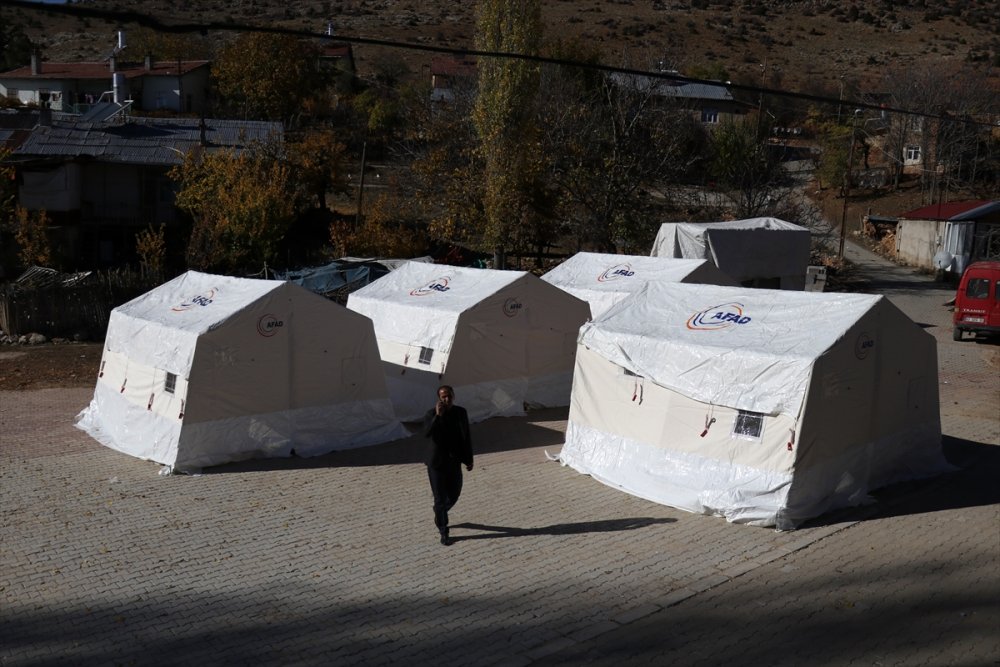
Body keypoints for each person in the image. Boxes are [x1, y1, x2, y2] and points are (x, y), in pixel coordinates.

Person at [423, 385, 473, 546]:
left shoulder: (461, 412)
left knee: (454, 494)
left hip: (454, 461)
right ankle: (444, 531)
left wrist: (469, 459)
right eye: (443, 397)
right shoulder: (431, 414)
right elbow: (427, 433)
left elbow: (466, 436)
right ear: (439, 398)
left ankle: (440, 512)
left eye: (449, 396)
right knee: (439, 498)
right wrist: (438, 416)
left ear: (453, 396)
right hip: (436, 463)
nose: (447, 399)